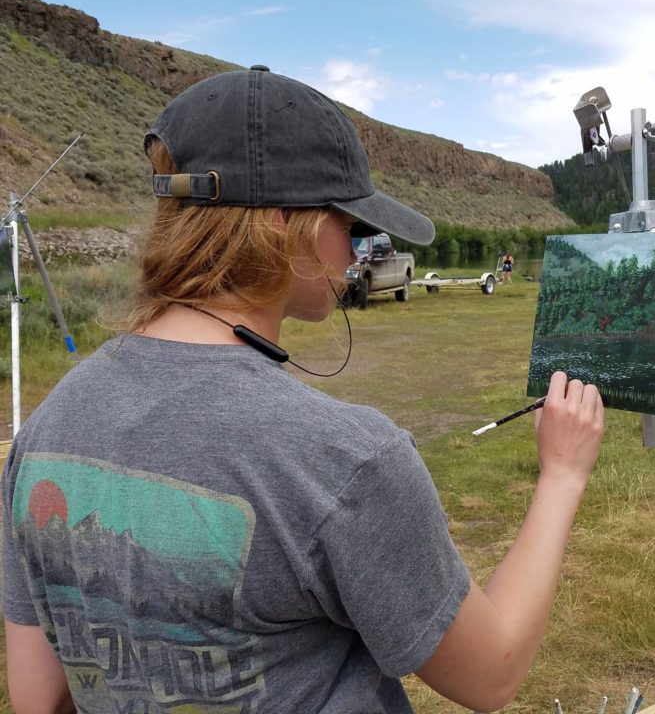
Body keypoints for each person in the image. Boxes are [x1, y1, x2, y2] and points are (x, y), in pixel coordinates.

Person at [1, 66, 605, 714]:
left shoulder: (43, 432)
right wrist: (562, 475)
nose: (358, 250)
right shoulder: (346, 460)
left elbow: (39, 699)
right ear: (285, 221)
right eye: (349, 222)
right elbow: (492, 676)